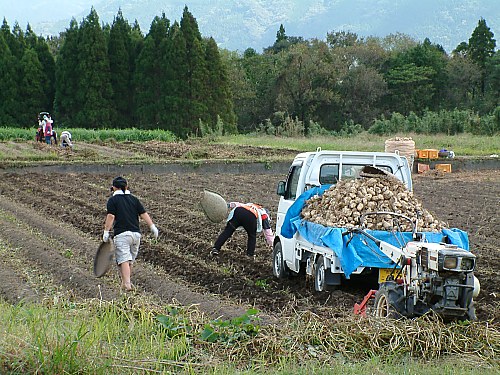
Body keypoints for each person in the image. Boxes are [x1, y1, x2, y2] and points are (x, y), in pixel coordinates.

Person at [103, 176, 159, 291]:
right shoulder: (134, 199)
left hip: (122, 234)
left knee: (123, 259)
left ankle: (127, 284)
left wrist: (106, 231)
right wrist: (152, 226)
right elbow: (143, 213)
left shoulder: (113, 200)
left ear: (113, 187)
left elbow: (111, 216)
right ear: (126, 186)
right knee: (129, 261)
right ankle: (125, 283)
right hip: (136, 235)